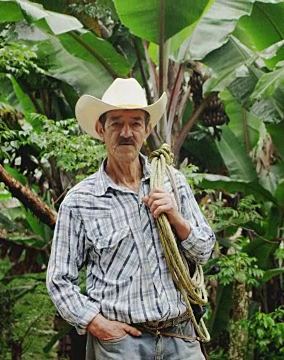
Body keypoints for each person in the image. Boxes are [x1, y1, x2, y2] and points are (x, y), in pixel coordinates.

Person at [46, 78, 215, 359]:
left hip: (181, 336)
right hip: (122, 345)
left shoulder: (173, 183)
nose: (126, 133)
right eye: (116, 123)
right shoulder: (80, 200)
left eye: (136, 123)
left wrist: (176, 218)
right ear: (101, 130)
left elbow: (205, 250)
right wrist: (96, 324)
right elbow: (59, 279)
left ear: (147, 130)